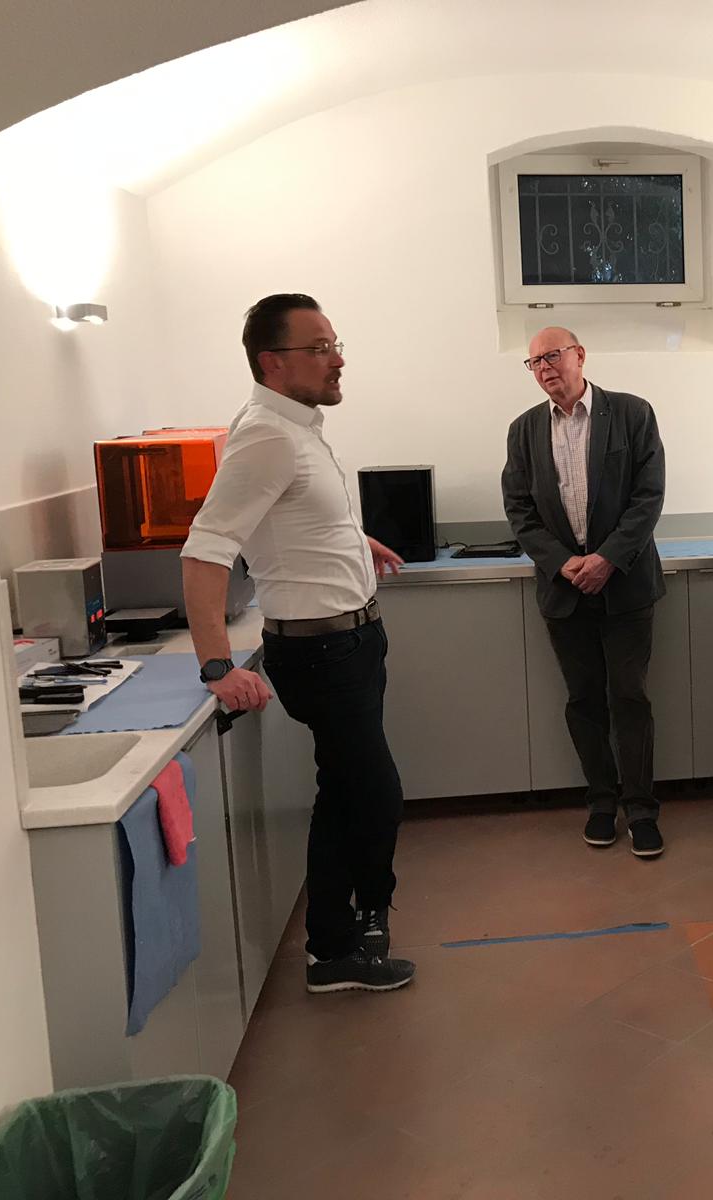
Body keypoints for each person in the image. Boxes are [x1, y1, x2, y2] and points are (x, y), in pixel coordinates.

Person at [182, 293, 415, 994]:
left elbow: (293, 516)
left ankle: (336, 942)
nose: (337, 359)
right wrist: (215, 663)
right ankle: (342, 940)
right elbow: (206, 549)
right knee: (373, 795)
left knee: (344, 794)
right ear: (273, 363)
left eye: (335, 344)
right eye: (319, 348)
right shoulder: (267, 436)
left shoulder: (297, 427)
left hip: (352, 641)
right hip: (322, 654)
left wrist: (354, 541)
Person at [501, 327, 668, 857]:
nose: (545, 368)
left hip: (626, 585)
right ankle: (601, 801)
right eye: (534, 362)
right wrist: (564, 563)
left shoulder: (632, 413)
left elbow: (648, 496)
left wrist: (608, 559)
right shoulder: (524, 430)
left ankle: (641, 809)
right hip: (564, 588)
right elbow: (520, 511)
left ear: (579, 355)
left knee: (630, 697)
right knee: (583, 700)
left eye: (552, 356)